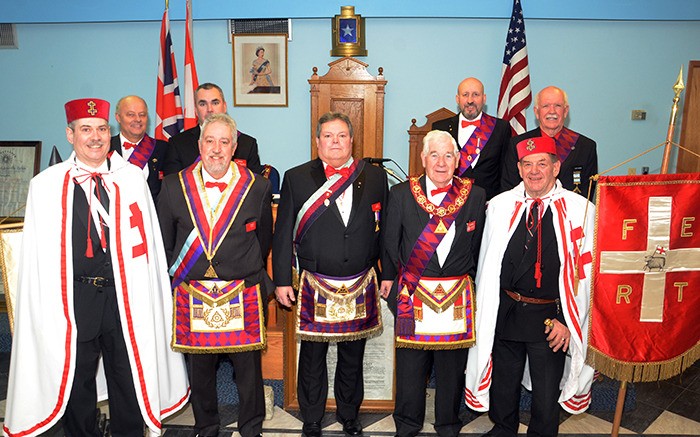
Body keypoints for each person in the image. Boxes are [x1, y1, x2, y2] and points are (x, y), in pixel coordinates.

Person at [4, 98, 189, 436]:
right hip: (73, 299)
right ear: (70, 134)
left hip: (124, 297)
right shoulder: (45, 187)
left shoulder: (131, 180)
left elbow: (148, 247)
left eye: (102, 129)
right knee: (77, 377)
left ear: (110, 132)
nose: (95, 137)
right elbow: (38, 259)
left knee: (128, 373)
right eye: (86, 129)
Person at [465, 136, 596, 437]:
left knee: (546, 389)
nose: (534, 171)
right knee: (504, 381)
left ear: (556, 167)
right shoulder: (499, 206)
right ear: (519, 167)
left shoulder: (581, 210)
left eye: (542, 164)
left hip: (550, 316)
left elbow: (586, 274)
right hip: (507, 310)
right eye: (527, 164)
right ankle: (503, 428)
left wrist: (566, 320)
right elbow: (487, 264)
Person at [273, 112, 388, 437]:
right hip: (315, 282)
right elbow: (283, 234)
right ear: (317, 141)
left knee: (353, 354)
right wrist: (282, 279)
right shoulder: (296, 178)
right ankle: (312, 417)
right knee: (312, 356)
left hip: (359, 280)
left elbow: (386, 230)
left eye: (341, 136)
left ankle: (350, 415)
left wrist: (388, 273)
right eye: (328, 136)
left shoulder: (375, 178)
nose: (335, 142)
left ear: (352, 141)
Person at [157, 112, 272, 437]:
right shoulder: (173, 186)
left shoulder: (257, 186)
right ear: (199, 145)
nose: (217, 149)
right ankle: (206, 427)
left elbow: (264, 237)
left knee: (249, 372)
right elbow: (165, 242)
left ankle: (252, 429)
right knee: (201, 372)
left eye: (224, 142)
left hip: (242, 290)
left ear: (235, 146)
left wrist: (245, 266)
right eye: (210, 141)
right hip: (193, 292)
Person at [381, 130, 486, 437]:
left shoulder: (475, 195)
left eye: (448, 155)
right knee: (411, 367)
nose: (442, 162)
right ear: (423, 159)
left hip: (455, 295)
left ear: (458, 160)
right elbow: (389, 240)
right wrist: (389, 276)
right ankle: (408, 424)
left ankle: (448, 424)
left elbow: (479, 245)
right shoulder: (401, 193)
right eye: (435, 155)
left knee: (451, 370)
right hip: (412, 293)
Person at [501, 86, 598, 199]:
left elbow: (587, 193)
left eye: (557, 106)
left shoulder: (585, 146)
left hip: (570, 213)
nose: (552, 111)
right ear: (536, 112)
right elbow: (509, 188)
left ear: (565, 111)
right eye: (546, 106)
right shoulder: (519, 144)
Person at [432, 77, 512, 200]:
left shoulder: (501, 128)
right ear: (457, 99)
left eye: (475, 95)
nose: (470, 100)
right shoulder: (440, 127)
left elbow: (506, 172)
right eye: (465, 95)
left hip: (489, 204)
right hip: (450, 203)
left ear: (484, 98)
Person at [164, 82, 263, 175]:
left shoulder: (247, 144)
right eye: (203, 104)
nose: (210, 109)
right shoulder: (177, 143)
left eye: (215, 103)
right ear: (195, 110)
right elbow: (173, 186)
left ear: (224, 107)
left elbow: (255, 187)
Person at [110, 95, 168, 199]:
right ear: (118, 117)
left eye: (142, 115)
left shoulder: (164, 148)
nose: (138, 119)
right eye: (131, 115)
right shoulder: (105, 147)